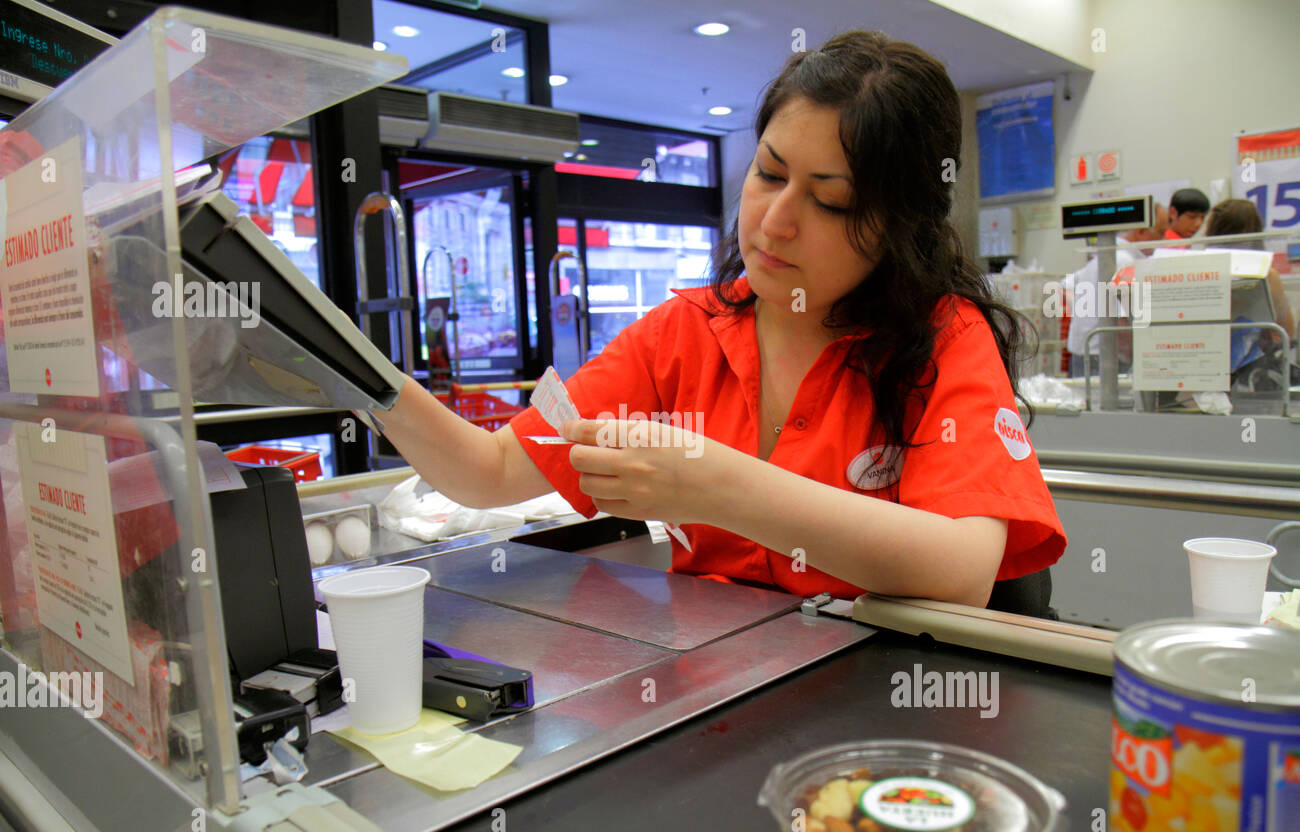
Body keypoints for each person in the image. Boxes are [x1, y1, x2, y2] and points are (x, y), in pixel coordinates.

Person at [374, 30, 1066, 607]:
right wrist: (359, 377)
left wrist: (715, 485)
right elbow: (489, 473)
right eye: (769, 173)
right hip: (716, 698)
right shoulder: (685, 331)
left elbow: (962, 571)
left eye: (831, 202)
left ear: (901, 227)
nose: (776, 220)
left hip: (878, 706)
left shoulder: (942, 336)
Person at [1063, 203, 1168, 376]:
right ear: (1141, 232)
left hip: (1086, 353)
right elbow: (1121, 321)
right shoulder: (1122, 261)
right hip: (1105, 358)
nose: (1163, 241)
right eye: (1160, 233)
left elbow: (1066, 284)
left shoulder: (1107, 256)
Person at [1204, 198, 1297, 377]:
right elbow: (1287, 332)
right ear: (1255, 232)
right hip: (1248, 371)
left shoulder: (1199, 270)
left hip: (1206, 365)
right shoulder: (1267, 275)